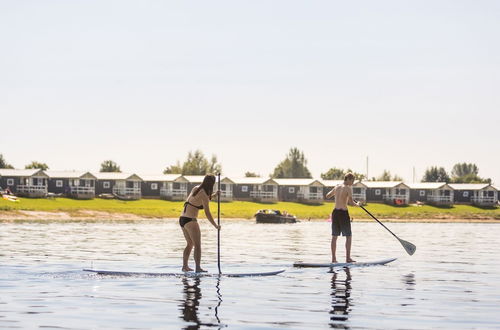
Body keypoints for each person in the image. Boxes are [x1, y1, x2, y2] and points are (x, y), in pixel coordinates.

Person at [179, 174, 220, 272]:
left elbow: (200, 199)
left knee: (190, 244)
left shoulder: (196, 188)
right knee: (197, 245)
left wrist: (214, 195)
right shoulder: (204, 195)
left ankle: (185, 266)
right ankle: (198, 268)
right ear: (212, 184)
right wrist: (215, 225)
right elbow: (207, 213)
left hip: (182, 219)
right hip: (191, 220)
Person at [325, 173, 361, 263]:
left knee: (334, 236)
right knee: (348, 236)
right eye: (352, 181)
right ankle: (348, 258)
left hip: (335, 212)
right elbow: (351, 203)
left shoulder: (337, 186)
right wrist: (358, 204)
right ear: (348, 179)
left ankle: (333, 259)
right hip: (343, 213)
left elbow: (327, 196)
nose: (352, 183)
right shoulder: (348, 188)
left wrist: (337, 194)